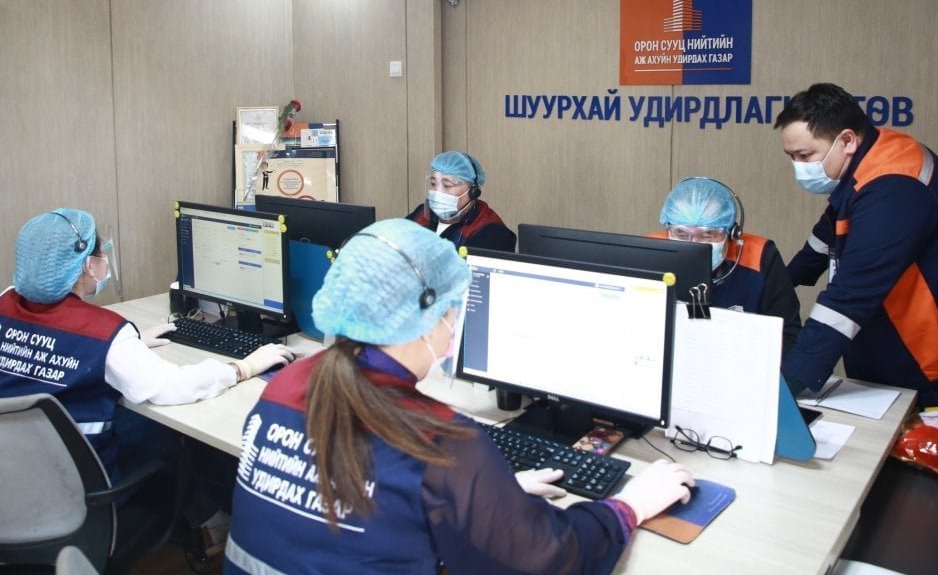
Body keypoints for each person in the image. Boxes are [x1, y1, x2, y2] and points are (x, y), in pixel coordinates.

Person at [225, 218, 695, 575]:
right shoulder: (441, 441)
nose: (455, 326)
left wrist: (486, 500)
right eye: (454, 310)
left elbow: (359, 513)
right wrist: (631, 505)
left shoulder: (288, 382)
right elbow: (550, 558)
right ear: (426, 317)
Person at [0, 208, 293, 539]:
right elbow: (173, 387)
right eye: (100, 252)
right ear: (87, 266)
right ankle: (213, 520)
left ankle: (206, 519)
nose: (104, 259)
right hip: (71, 489)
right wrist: (244, 367)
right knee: (173, 432)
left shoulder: (5, 302)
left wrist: (126, 345)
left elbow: (45, 345)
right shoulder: (102, 332)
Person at [773, 83, 938, 423]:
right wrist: (776, 285)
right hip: (918, 354)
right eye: (791, 157)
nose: (798, 166)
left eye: (804, 155)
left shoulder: (895, 188)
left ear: (847, 140)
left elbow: (848, 298)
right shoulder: (871, 160)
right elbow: (827, 235)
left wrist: (786, 385)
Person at [654, 176, 801, 358]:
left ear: (732, 233)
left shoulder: (760, 256)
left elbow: (788, 334)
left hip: (741, 359)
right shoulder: (648, 253)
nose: (694, 244)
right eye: (682, 234)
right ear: (668, 230)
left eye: (708, 235)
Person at [405, 149, 517, 251]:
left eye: (447, 185)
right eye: (433, 184)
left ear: (473, 191)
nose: (438, 193)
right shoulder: (423, 212)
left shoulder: (491, 232)